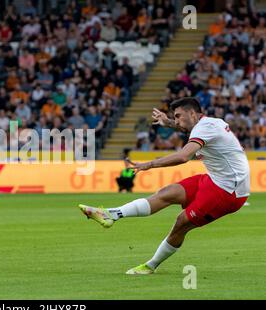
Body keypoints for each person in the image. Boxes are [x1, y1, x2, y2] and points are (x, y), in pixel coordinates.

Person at [79, 97, 250, 274]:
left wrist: (150, 164)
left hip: (229, 191)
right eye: (174, 117)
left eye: (178, 116)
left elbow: (184, 156)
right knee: (167, 193)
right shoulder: (210, 123)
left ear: (192, 113)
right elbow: (186, 127)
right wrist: (168, 123)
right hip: (215, 179)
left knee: (181, 222)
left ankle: (150, 266)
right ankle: (111, 214)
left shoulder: (205, 128)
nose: (176, 121)